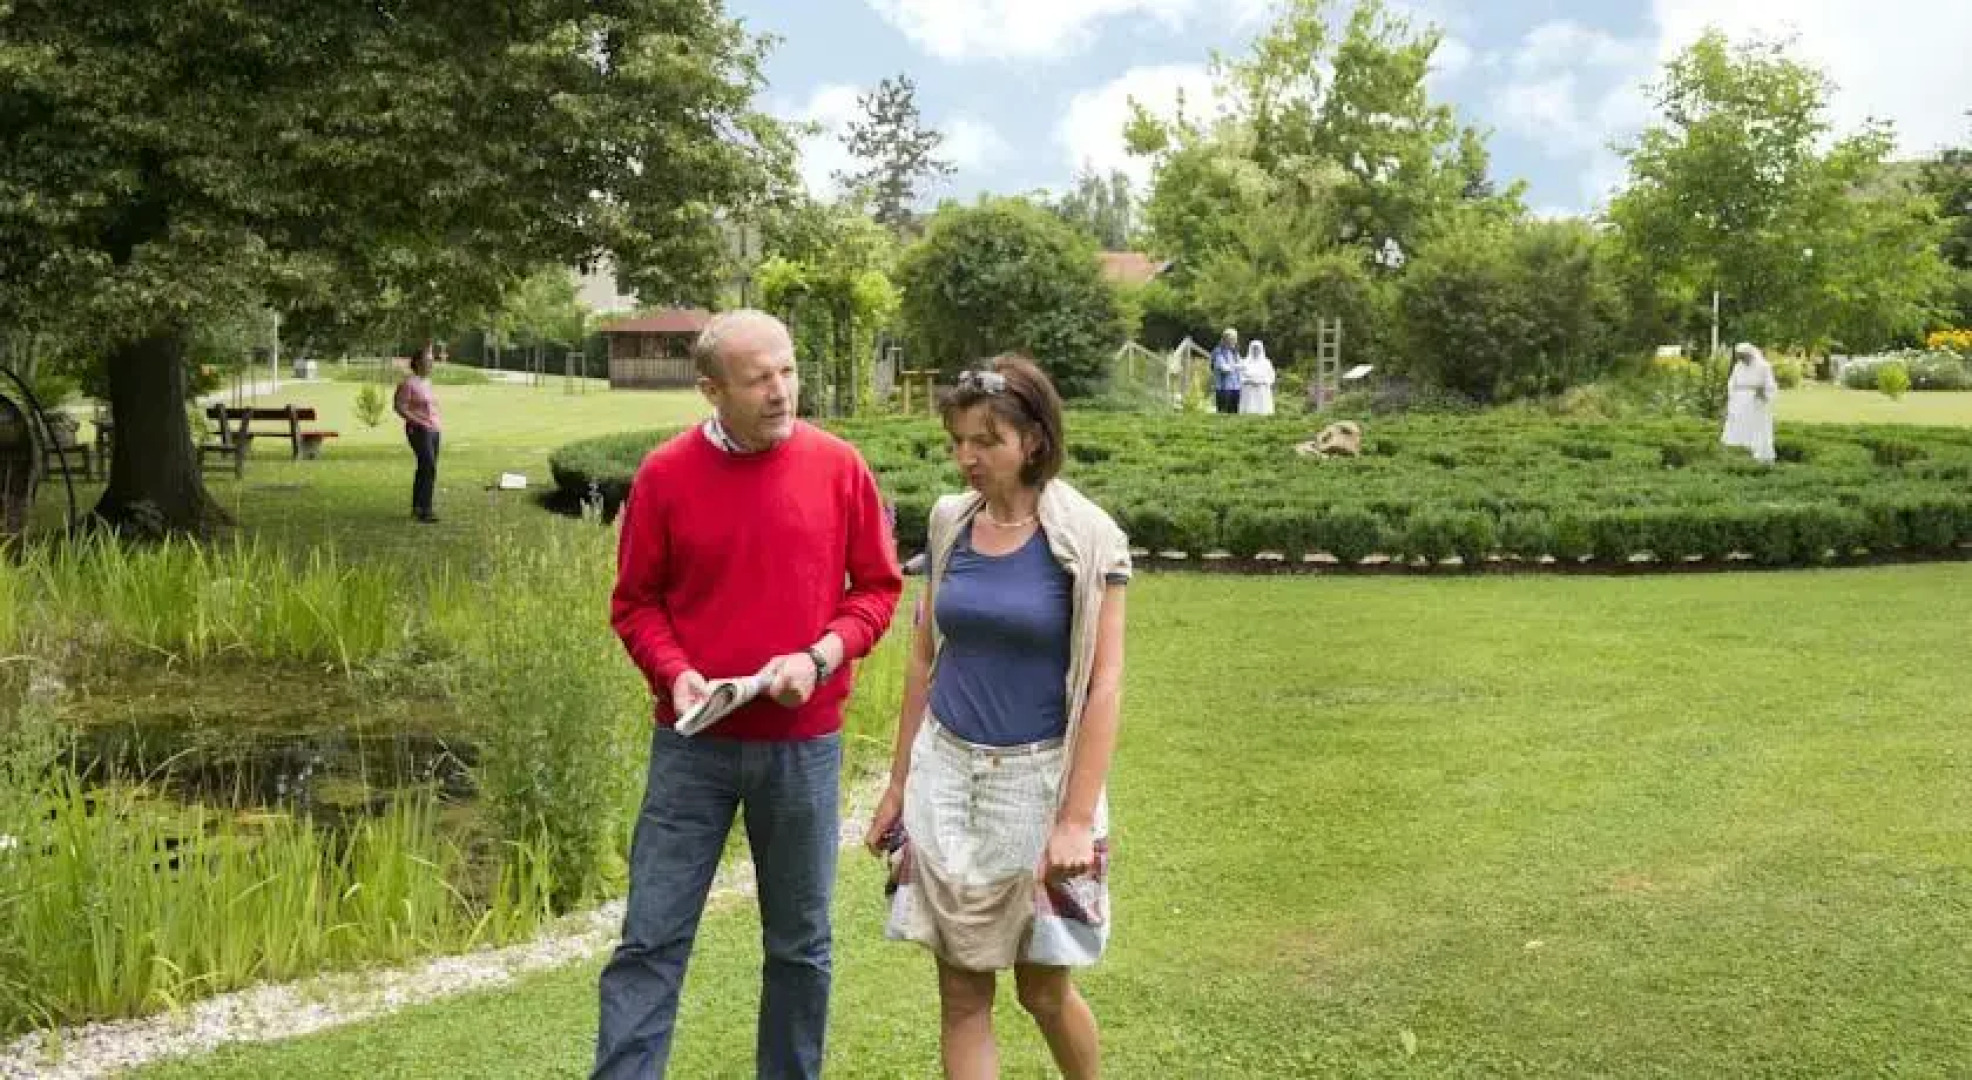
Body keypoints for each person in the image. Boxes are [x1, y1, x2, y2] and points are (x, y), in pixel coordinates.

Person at [597, 309, 904, 1080]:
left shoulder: (839, 468)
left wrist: (820, 655)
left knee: (801, 947)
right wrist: (676, 673)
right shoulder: (665, 476)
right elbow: (635, 604)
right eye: (758, 378)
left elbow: (875, 589)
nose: (781, 391)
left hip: (803, 746)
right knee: (650, 939)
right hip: (692, 744)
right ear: (711, 390)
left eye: (788, 370)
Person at [868, 354, 1131, 1080]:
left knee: (1043, 989)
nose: (966, 457)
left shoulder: (1088, 537)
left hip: (1038, 781)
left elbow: (1104, 683)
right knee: (961, 990)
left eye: (986, 441)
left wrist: (1076, 819)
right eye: (958, 440)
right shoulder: (951, 522)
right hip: (949, 775)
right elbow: (924, 659)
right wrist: (897, 786)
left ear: (1034, 440)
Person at [392, 344, 443, 523]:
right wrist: (417, 421)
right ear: (418, 363)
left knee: (427, 468)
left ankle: (418, 507)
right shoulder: (407, 383)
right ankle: (425, 510)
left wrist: (436, 423)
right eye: (428, 361)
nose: (431, 364)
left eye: (432, 361)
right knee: (428, 465)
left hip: (434, 429)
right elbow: (399, 407)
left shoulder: (427, 383)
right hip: (418, 430)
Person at [1722, 342, 1778, 464]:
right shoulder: (1738, 366)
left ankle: (1758, 455)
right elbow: (1732, 383)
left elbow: (1770, 385)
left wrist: (1763, 392)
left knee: (1756, 429)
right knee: (1738, 427)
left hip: (1756, 403)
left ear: (1750, 354)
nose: (1742, 359)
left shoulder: (1764, 366)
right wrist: (1732, 399)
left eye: (1744, 356)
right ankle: (1738, 454)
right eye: (1740, 356)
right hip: (1739, 403)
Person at [1239, 340, 1277, 416]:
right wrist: (1249, 381)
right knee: (1249, 409)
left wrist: (1262, 381)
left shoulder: (1266, 362)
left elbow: (1271, 376)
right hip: (1249, 388)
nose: (1256, 350)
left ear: (1261, 349)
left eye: (1257, 348)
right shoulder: (1245, 362)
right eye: (1254, 348)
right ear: (1250, 349)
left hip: (1262, 389)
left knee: (1262, 410)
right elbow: (1240, 375)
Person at [1211, 328, 1243, 415]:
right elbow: (1224, 369)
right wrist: (1236, 367)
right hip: (1223, 388)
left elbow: (1242, 366)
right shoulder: (1218, 352)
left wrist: (1234, 367)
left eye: (1235, 339)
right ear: (1225, 339)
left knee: (1234, 413)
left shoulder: (1235, 352)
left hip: (1236, 387)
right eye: (1232, 339)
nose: (1235, 341)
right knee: (1223, 413)